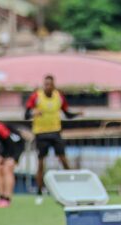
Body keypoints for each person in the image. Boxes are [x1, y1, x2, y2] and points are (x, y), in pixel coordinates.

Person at [24, 75, 81, 205]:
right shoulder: (36, 97)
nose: (47, 87)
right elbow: (26, 114)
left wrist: (78, 113)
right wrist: (33, 113)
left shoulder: (59, 96)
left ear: (53, 85)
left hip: (55, 132)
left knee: (64, 160)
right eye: (45, 84)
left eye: (50, 84)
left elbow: (67, 114)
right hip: (41, 133)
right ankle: (39, 192)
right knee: (40, 163)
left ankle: (73, 189)